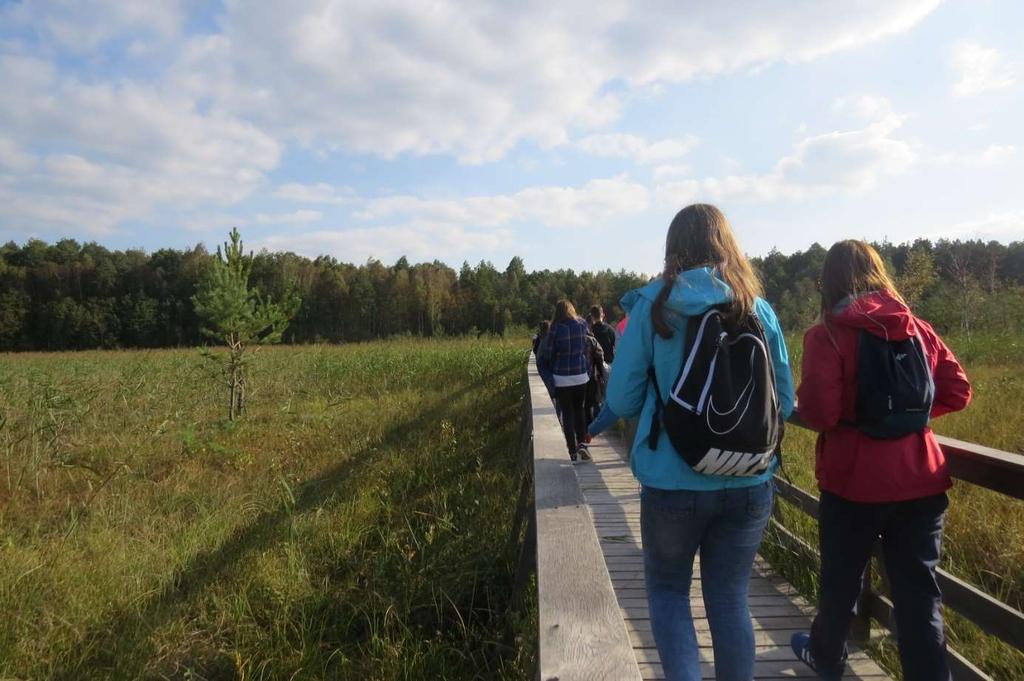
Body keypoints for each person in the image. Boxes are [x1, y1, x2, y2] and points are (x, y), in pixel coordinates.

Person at [588, 204, 794, 681]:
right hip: (749, 478)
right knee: (728, 598)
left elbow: (622, 396)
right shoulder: (757, 307)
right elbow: (784, 400)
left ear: (673, 248)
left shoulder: (656, 305)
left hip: (672, 480)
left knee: (667, 593)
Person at [790, 240, 971, 681]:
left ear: (828, 282)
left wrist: (871, 419)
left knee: (841, 581)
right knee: (918, 595)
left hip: (853, 482)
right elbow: (957, 391)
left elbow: (820, 413)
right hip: (922, 479)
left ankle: (828, 658)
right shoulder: (917, 328)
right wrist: (906, 420)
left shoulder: (827, 334)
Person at [542, 300, 594, 462]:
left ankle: (572, 451)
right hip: (580, 376)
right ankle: (582, 446)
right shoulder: (582, 324)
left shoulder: (555, 329)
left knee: (567, 413)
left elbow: (549, 353)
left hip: (562, 377)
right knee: (580, 410)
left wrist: (549, 370)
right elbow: (586, 350)